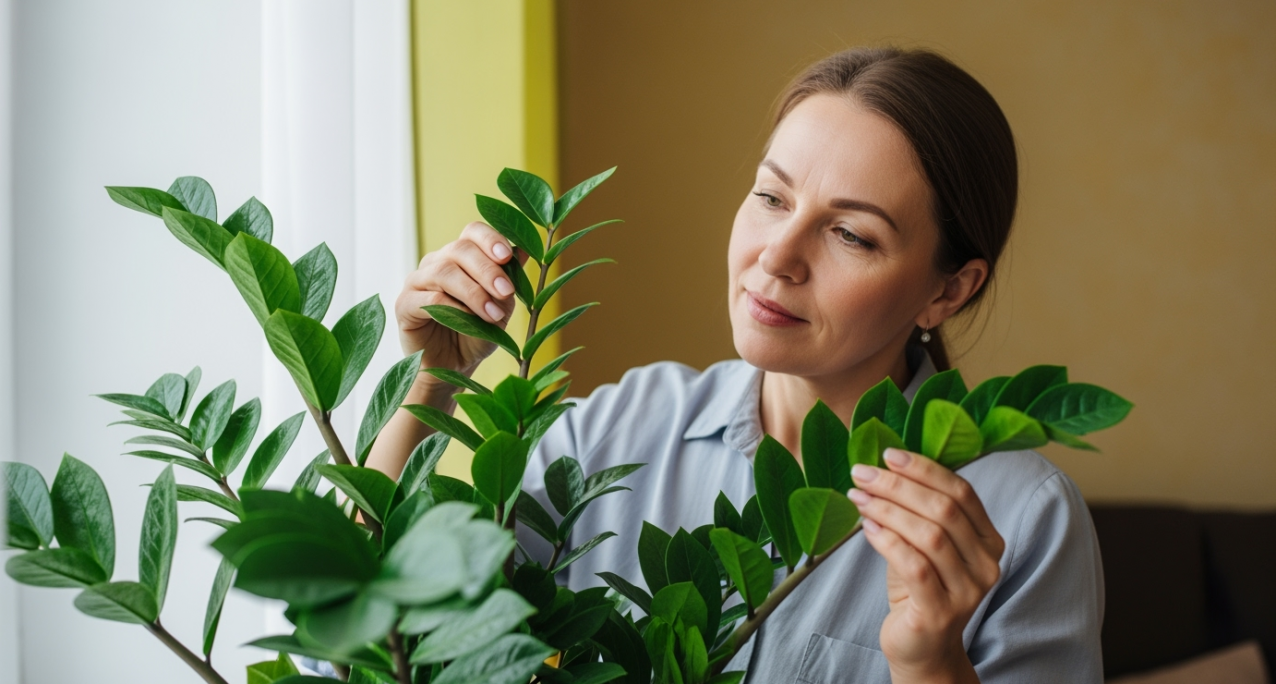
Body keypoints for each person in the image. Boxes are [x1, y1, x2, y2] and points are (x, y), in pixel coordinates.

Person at [367, 47, 1104, 684]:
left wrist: (930, 660)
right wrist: (431, 383)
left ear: (948, 289)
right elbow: (374, 645)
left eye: (850, 234)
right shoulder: (621, 426)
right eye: (769, 197)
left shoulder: (1020, 518)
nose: (777, 255)